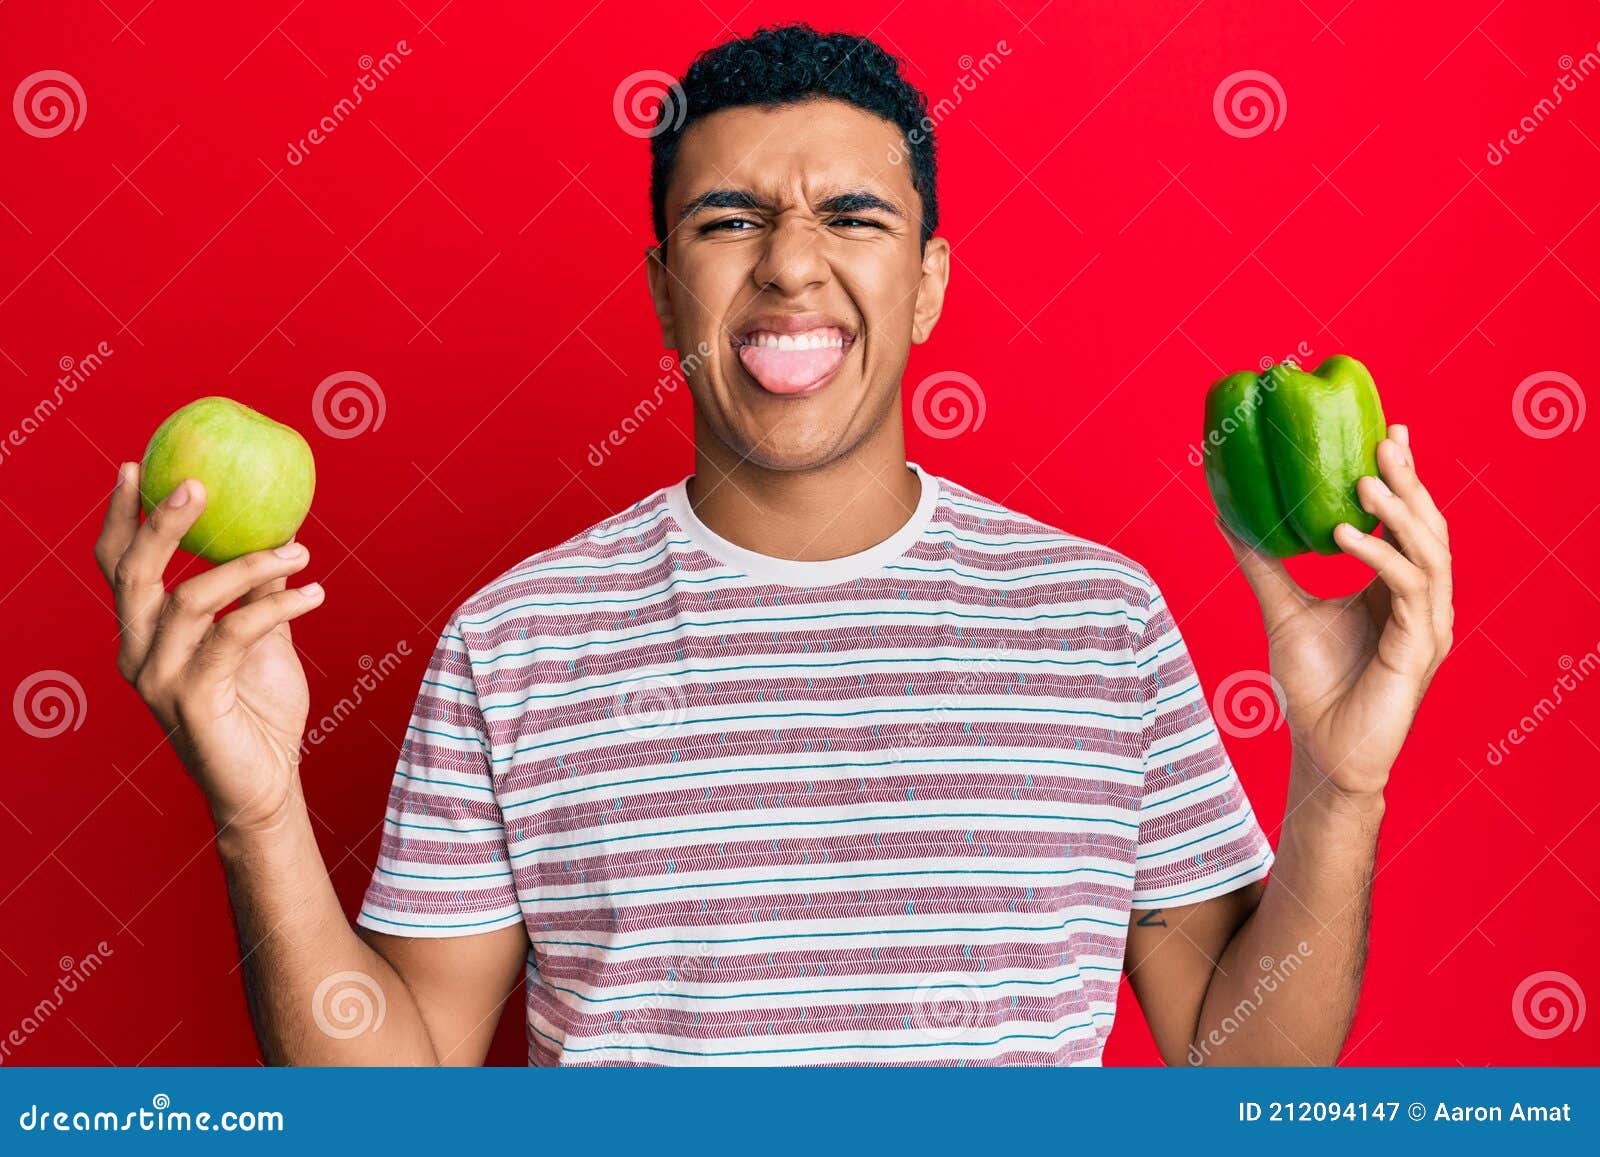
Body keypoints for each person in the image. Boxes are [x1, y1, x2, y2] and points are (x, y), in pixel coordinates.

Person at [92, 23, 1452, 1066]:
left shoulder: (1099, 619)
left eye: (854, 218)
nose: (791, 264)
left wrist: (1339, 783)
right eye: (726, 220)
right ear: (663, 286)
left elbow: (1240, 1070)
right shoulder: (512, 642)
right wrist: (258, 810)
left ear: (926, 285)